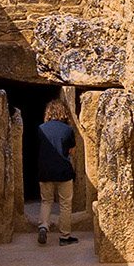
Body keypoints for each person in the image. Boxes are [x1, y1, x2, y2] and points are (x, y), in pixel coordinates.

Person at [35, 94, 79, 245]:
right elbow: (72, 151)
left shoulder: (41, 129)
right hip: (63, 171)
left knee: (46, 200)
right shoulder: (68, 130)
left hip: (45, 170)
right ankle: (64, 237)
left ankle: (43, 227)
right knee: (65, 204)